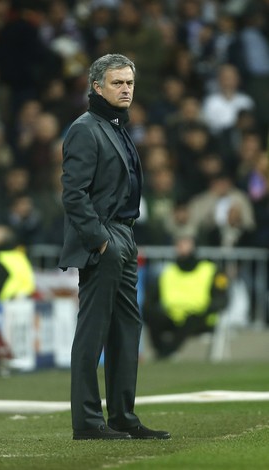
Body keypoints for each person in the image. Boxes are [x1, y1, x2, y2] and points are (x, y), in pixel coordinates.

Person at [58, 53, 170, 441]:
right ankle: (88, 422)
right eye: (117, 83)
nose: (125, 89)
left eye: (129, 83)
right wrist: (101, 241)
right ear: (96, 87)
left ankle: (122, 415)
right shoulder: (85, 129)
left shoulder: (116, 126)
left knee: (126, 328)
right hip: (105, 237)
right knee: (93, 331)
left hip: (123, 234)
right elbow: (73, 195)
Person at [143, 235, 230, 359]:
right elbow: (151, 299)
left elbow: (222, 299)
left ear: (194, 245)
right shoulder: (168, 271)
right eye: (179, 243)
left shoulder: (211, 269)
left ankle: (165, 354)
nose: (182, 246)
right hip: (173, 316)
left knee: (191, 320)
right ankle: (161, 351)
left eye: (185, 242)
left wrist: (206, 310)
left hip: (202, 317)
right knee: (153, 316)